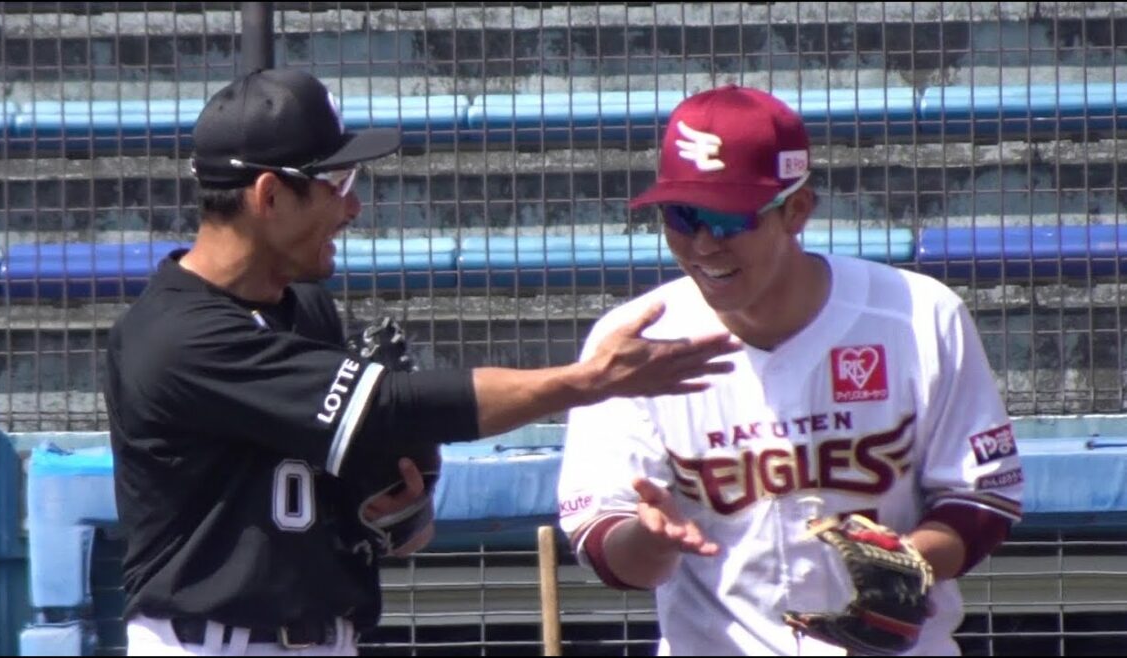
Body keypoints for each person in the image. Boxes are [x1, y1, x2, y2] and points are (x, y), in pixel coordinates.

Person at [102, 68, 742, 657]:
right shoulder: (174, 337)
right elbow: (387, 407)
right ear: (269, 196)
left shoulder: (307, 311)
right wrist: (587, 381)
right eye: (336, 183)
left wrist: (387, 509)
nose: (352, 206)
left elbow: (345, 499)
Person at [555, 85, 1025, 656]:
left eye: (726, 219)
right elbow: (603, 539)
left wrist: (907, 564)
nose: (703, 244)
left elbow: (981, 498)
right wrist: (650, 541)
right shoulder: (635, 340)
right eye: (681, 216)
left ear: (796, 210)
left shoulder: (918, 313)